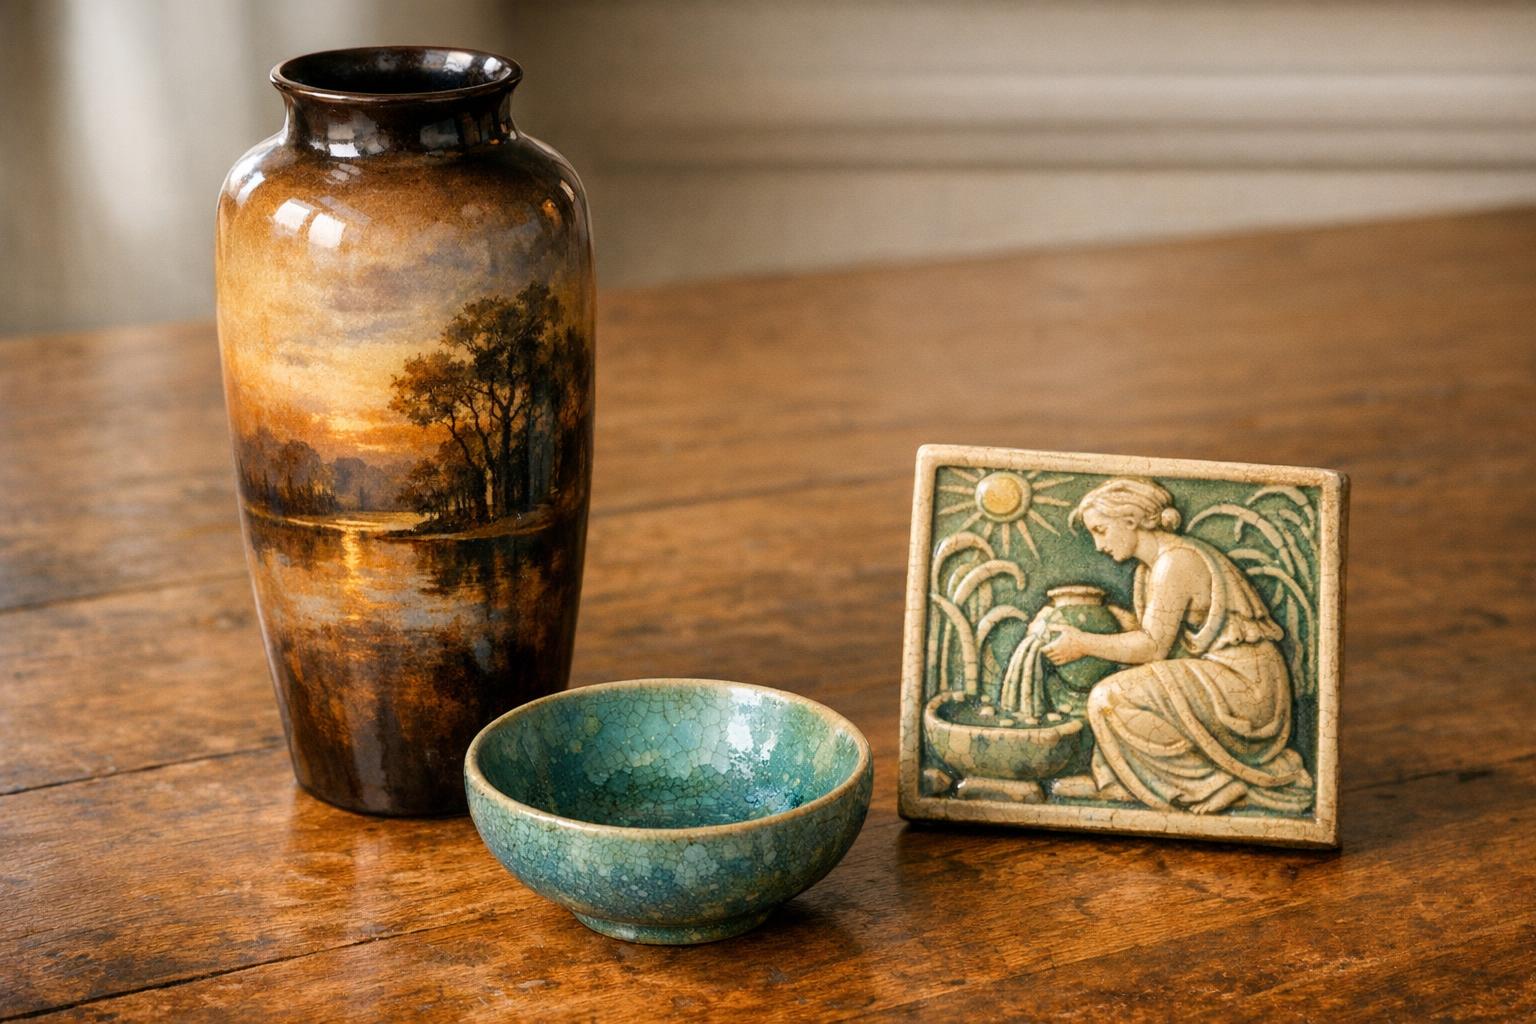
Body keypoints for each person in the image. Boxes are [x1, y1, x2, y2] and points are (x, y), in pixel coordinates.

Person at [1042, 478, 1314, 815]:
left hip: (1246, 689)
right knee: (1121, 689)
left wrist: (1083, 642)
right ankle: (1121, 781)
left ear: (1130, 520)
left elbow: (1153, 648)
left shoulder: (1176, 562)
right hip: (1222, 675)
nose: (1099, 545)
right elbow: (1165, 643)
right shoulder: (1151, 568)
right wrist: (1118, 622)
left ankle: (1217, 784)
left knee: (1108, 697)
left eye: (1101, 530)